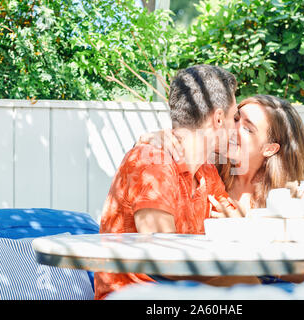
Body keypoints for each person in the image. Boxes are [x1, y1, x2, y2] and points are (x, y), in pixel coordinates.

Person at [94, 64, 259, 300]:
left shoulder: (207, 172)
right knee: (246, 283)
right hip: (139, 296)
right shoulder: (153, 162)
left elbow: (237, 230)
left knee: (248, 282)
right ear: (219, 119)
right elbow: (166, 260)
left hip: (179, 292)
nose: (237, 128)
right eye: (234, 118)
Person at [140, 94, 304, 283]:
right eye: (236, 119)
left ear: (269, 149)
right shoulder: (204, 170)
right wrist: (153, 138)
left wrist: (247, 236)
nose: (233, 129)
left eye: (248, 129)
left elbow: (300, 276)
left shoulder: (288, 196)